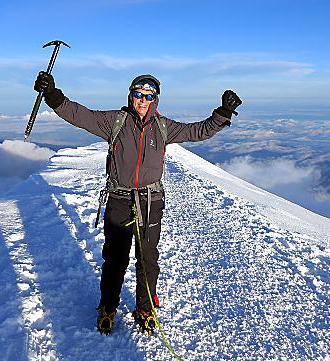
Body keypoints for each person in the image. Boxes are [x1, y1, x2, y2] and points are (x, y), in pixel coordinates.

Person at [34, 72, 242, 334]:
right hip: (119, 199)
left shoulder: (163, 126)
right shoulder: (114, 122)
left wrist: (222, 113)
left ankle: (145, 308)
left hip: (150, 201)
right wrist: (52, 95)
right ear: (130, 95)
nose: (142, 100)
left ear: (155, 99)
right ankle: (108, 307)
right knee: (115, 259)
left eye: (148, 96)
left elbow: (198, 131)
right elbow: (79, 115)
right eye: (138, 94)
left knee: (148, 259)